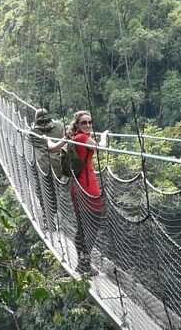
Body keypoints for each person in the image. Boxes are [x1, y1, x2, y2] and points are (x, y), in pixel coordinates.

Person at [65, 110, 108, 275]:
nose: (88, 125)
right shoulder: (82, 138)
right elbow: (101, 148)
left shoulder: (74, 137)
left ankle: (83, 265)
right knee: (92, 226)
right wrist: (103, 136)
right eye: (84, 123)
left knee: (82, 228)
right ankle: (84, 263)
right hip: (87, 187)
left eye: (90, 122)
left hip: (77, 187)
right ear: (77, 124)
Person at [29, 109, 66, 230]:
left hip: (43, 167)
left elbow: (31, 141)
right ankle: (52, 216)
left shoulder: (34, 131)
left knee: (44, 192)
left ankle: (48, 219)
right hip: (58, 166)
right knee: (55, 192)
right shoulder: (60, 126)